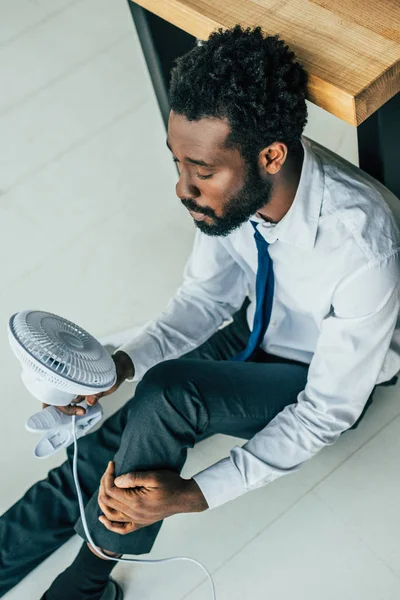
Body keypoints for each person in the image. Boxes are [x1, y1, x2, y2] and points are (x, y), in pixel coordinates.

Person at [1, 24, 399, 600]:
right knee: (117, 432)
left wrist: (194, 494)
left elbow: (325, 410)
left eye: (202, 171)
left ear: (270, 155)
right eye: (179, 164)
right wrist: (118, 366)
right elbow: (205, 302)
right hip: (252, 328)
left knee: (167, 397)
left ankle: (84, 581)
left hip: (315, 375)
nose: (183, 189)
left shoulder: (361, 245)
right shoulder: (230, 194)